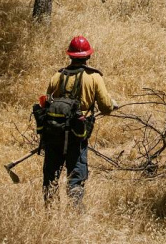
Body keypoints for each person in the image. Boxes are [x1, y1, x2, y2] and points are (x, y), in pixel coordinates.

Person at [41, 35, 118, 207]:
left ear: (70, 55)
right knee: (76, 175)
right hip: (78, 134)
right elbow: (106, 108)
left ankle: (49, 212)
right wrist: (112, 105)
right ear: (88, 56)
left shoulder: (56, 76)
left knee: (51, 175)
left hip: (54, 134)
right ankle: (74, 215)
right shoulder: (94, 77)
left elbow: (47, 104)